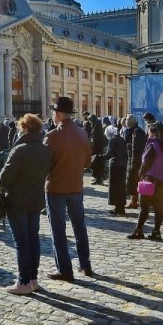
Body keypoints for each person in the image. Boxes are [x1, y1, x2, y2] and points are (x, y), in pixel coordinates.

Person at [0, 113, 52, 294]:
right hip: (36, 199)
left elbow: (4, 177)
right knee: (33, 239)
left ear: (26, 129)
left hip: (18, 200)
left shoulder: (19, 149)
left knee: (21, 242)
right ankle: (33, 279)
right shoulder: (44, 149)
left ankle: (23, 282)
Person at [42, 98, 94, 281]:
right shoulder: (82, 133)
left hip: (55, 188)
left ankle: (64, 269)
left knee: (58, 229)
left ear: (56, 115)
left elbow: (44, 166)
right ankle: (85, 264)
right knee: (80, 226)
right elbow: (88, 162)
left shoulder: (52, 136)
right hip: (76, 186)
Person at [130, 122, 163, 241]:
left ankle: (138, 230)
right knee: (159, 207)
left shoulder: (153, 146)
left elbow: (146, 163)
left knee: (144, 207)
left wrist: (140, 173)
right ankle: (156, 231)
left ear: (152, 132)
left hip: (150, 180)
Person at [123, 117, 148, 210]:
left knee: (133, 180)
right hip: (139, 159)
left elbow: (133, 148)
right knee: (136, 180)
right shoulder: (140, 131)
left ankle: (135, 201)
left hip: (133, 160)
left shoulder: (132, 132)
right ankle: (136, 200)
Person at [103, 123, 128, 216]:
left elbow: (110, 154)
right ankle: (121, 207)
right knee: (121, 187)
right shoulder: (121, 139)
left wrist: (100, 157)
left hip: (115, 165)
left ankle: (118, 208)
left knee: (115, 188)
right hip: (122, 165)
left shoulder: (112, 140)